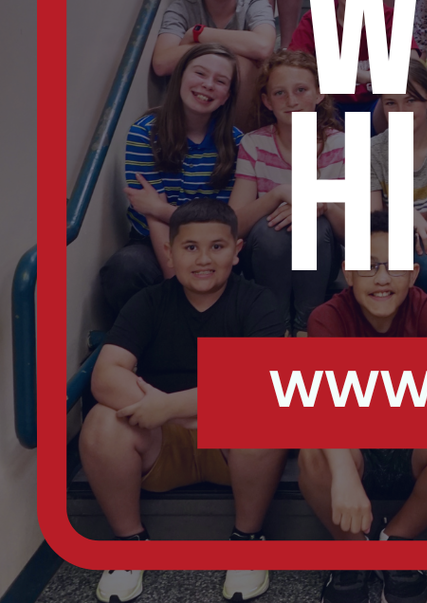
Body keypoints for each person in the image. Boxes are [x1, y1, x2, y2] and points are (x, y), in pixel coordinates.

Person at [80, 199, 286, 603]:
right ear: (169, 252)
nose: (203, 259)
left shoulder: (258, 302)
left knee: (263, 417)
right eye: (190, 247)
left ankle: (247, 541)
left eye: (217, 246)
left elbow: (261, 385)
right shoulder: (148, 302)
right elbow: (106, 375)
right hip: (159, 438)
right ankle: (130, 545)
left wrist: (171, 407)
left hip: (230, 446)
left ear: (237, 251)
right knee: (102, 422)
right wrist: (175, 415)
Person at [301, 211, 427, 603]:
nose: (382, 278)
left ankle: (397, 542)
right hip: (353, 448)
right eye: (369, 265)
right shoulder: (327, 319)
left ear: (413, 274)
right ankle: (352, 554)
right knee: (314, 454)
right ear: (348, 273)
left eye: (395, 266)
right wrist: (343, 473)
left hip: (410, 449)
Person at [100, 45, 242, 317]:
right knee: (125, 268)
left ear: (227, 96)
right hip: (156, 238)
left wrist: (159, 207)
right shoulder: (144, 133)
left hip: (214, 242)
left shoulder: (237, 142)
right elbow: (150, 215)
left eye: (220, 81)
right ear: (179, 77)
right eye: (200, 73)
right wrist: (180, 288)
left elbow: (221, 222)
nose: (208, 84)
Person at [228, 50, 346, 334]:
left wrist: (323, 205)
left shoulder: (343, 145)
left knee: (313, 223)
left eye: (301, 90)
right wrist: (278, 194)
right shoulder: (254, 144)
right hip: (266, 255)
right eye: (279, 93)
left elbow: (359, 235)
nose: (291, 101)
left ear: (319, 94)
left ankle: (307, 327)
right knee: (270, 231)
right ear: (267, 101)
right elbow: (233, 226)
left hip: (323, 255)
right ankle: (276, 327)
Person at [289, 0, 419, 135]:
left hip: (377, 105)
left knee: (406, 90)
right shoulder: (316, 18)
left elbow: (413, 66)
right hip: (328, 104)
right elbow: (293, 66)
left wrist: (361, 76)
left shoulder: (389, 18)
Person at [151, 0, 276, 131]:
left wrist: (197, 35)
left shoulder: (254, 3)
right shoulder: (182, 7)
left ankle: (240, 143)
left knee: (240, 65)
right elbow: (162, 63)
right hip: (197, 100)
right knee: (213, 67)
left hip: (244, 105)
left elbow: (263, 47)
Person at [370, 60, 427, 300]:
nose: (400, 112)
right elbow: (373, 219)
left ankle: (426, 317)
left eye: (410, 101)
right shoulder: (372, 151)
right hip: (387, 240)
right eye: (391, 103)